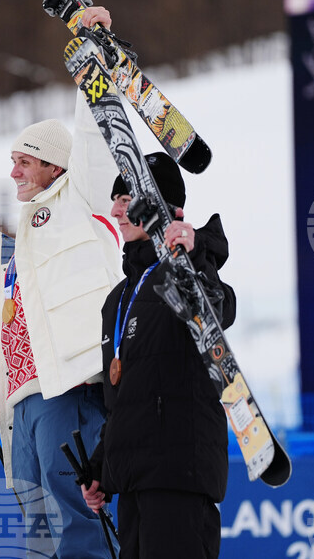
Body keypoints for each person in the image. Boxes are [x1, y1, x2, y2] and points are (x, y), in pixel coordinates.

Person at [0, 7, 124, 557]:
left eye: (24, 162)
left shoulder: (83, 199)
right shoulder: (17, 245)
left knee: (80, 523)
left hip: (72, 391)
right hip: (25, 406)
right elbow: (21, 333)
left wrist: (92, 53)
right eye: (11, 161)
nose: (12, 173)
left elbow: (95, 133)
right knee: (38, 534)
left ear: (56, 167)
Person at [81, 152, 236, 559]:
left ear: (171, 209)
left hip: (178, 476)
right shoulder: (117, 300)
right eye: (114, 198)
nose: (116, 209)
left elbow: (219, 309)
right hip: (131, 483)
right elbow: (123, 399)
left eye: (127, 196)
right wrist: (101, 468)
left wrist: (195, 251)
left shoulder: (181, 274)